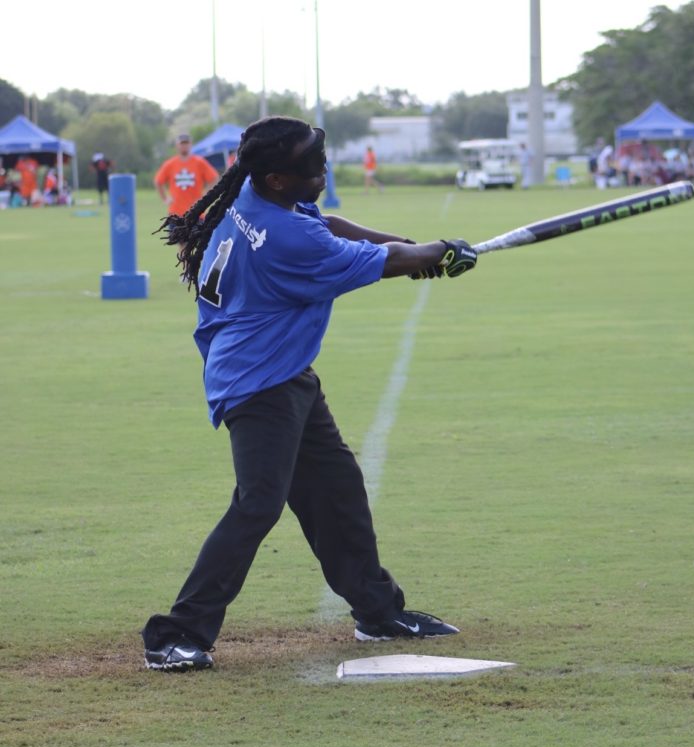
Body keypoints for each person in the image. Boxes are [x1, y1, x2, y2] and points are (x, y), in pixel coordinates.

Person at [142, 116, 477, 672]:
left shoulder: (255, 193)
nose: (323, 173)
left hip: (282, 371)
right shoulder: (288, 240)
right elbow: (372, 259)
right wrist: (431, 253)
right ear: (277, 178)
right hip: (257, 380)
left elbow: (333, 225)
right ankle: (175, 634)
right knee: (259, 504)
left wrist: (419, 251)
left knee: (336, 486)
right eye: (313, 168)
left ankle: (377, 611)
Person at [154, 133, 219, 220]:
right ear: (177, 146)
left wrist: (205, 195)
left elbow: (214, 178)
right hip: (176, 214)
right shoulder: (170, 164)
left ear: (190, 145)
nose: (184, 146)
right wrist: (165, 198)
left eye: (186, 143)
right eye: (182, 144)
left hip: (196, 212)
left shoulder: (199, 162)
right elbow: (158, 181)